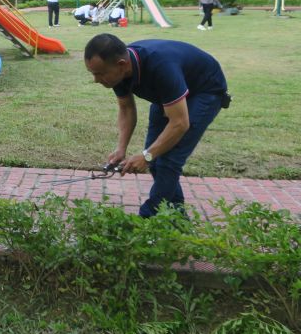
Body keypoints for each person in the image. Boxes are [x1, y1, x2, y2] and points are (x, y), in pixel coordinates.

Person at [84, 34, 229, 217]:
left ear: (121, 65)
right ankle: (176, 219)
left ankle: (146, 220)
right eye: (93, 73)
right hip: (167, 97)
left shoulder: (161, 66)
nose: (96, 80)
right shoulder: (117, 73)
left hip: (204, 92)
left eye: (100, 73)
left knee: (168, 160)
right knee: (155, 160)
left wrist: (146, 156)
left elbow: (180, 123)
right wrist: (121, 149)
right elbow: (127, 109)